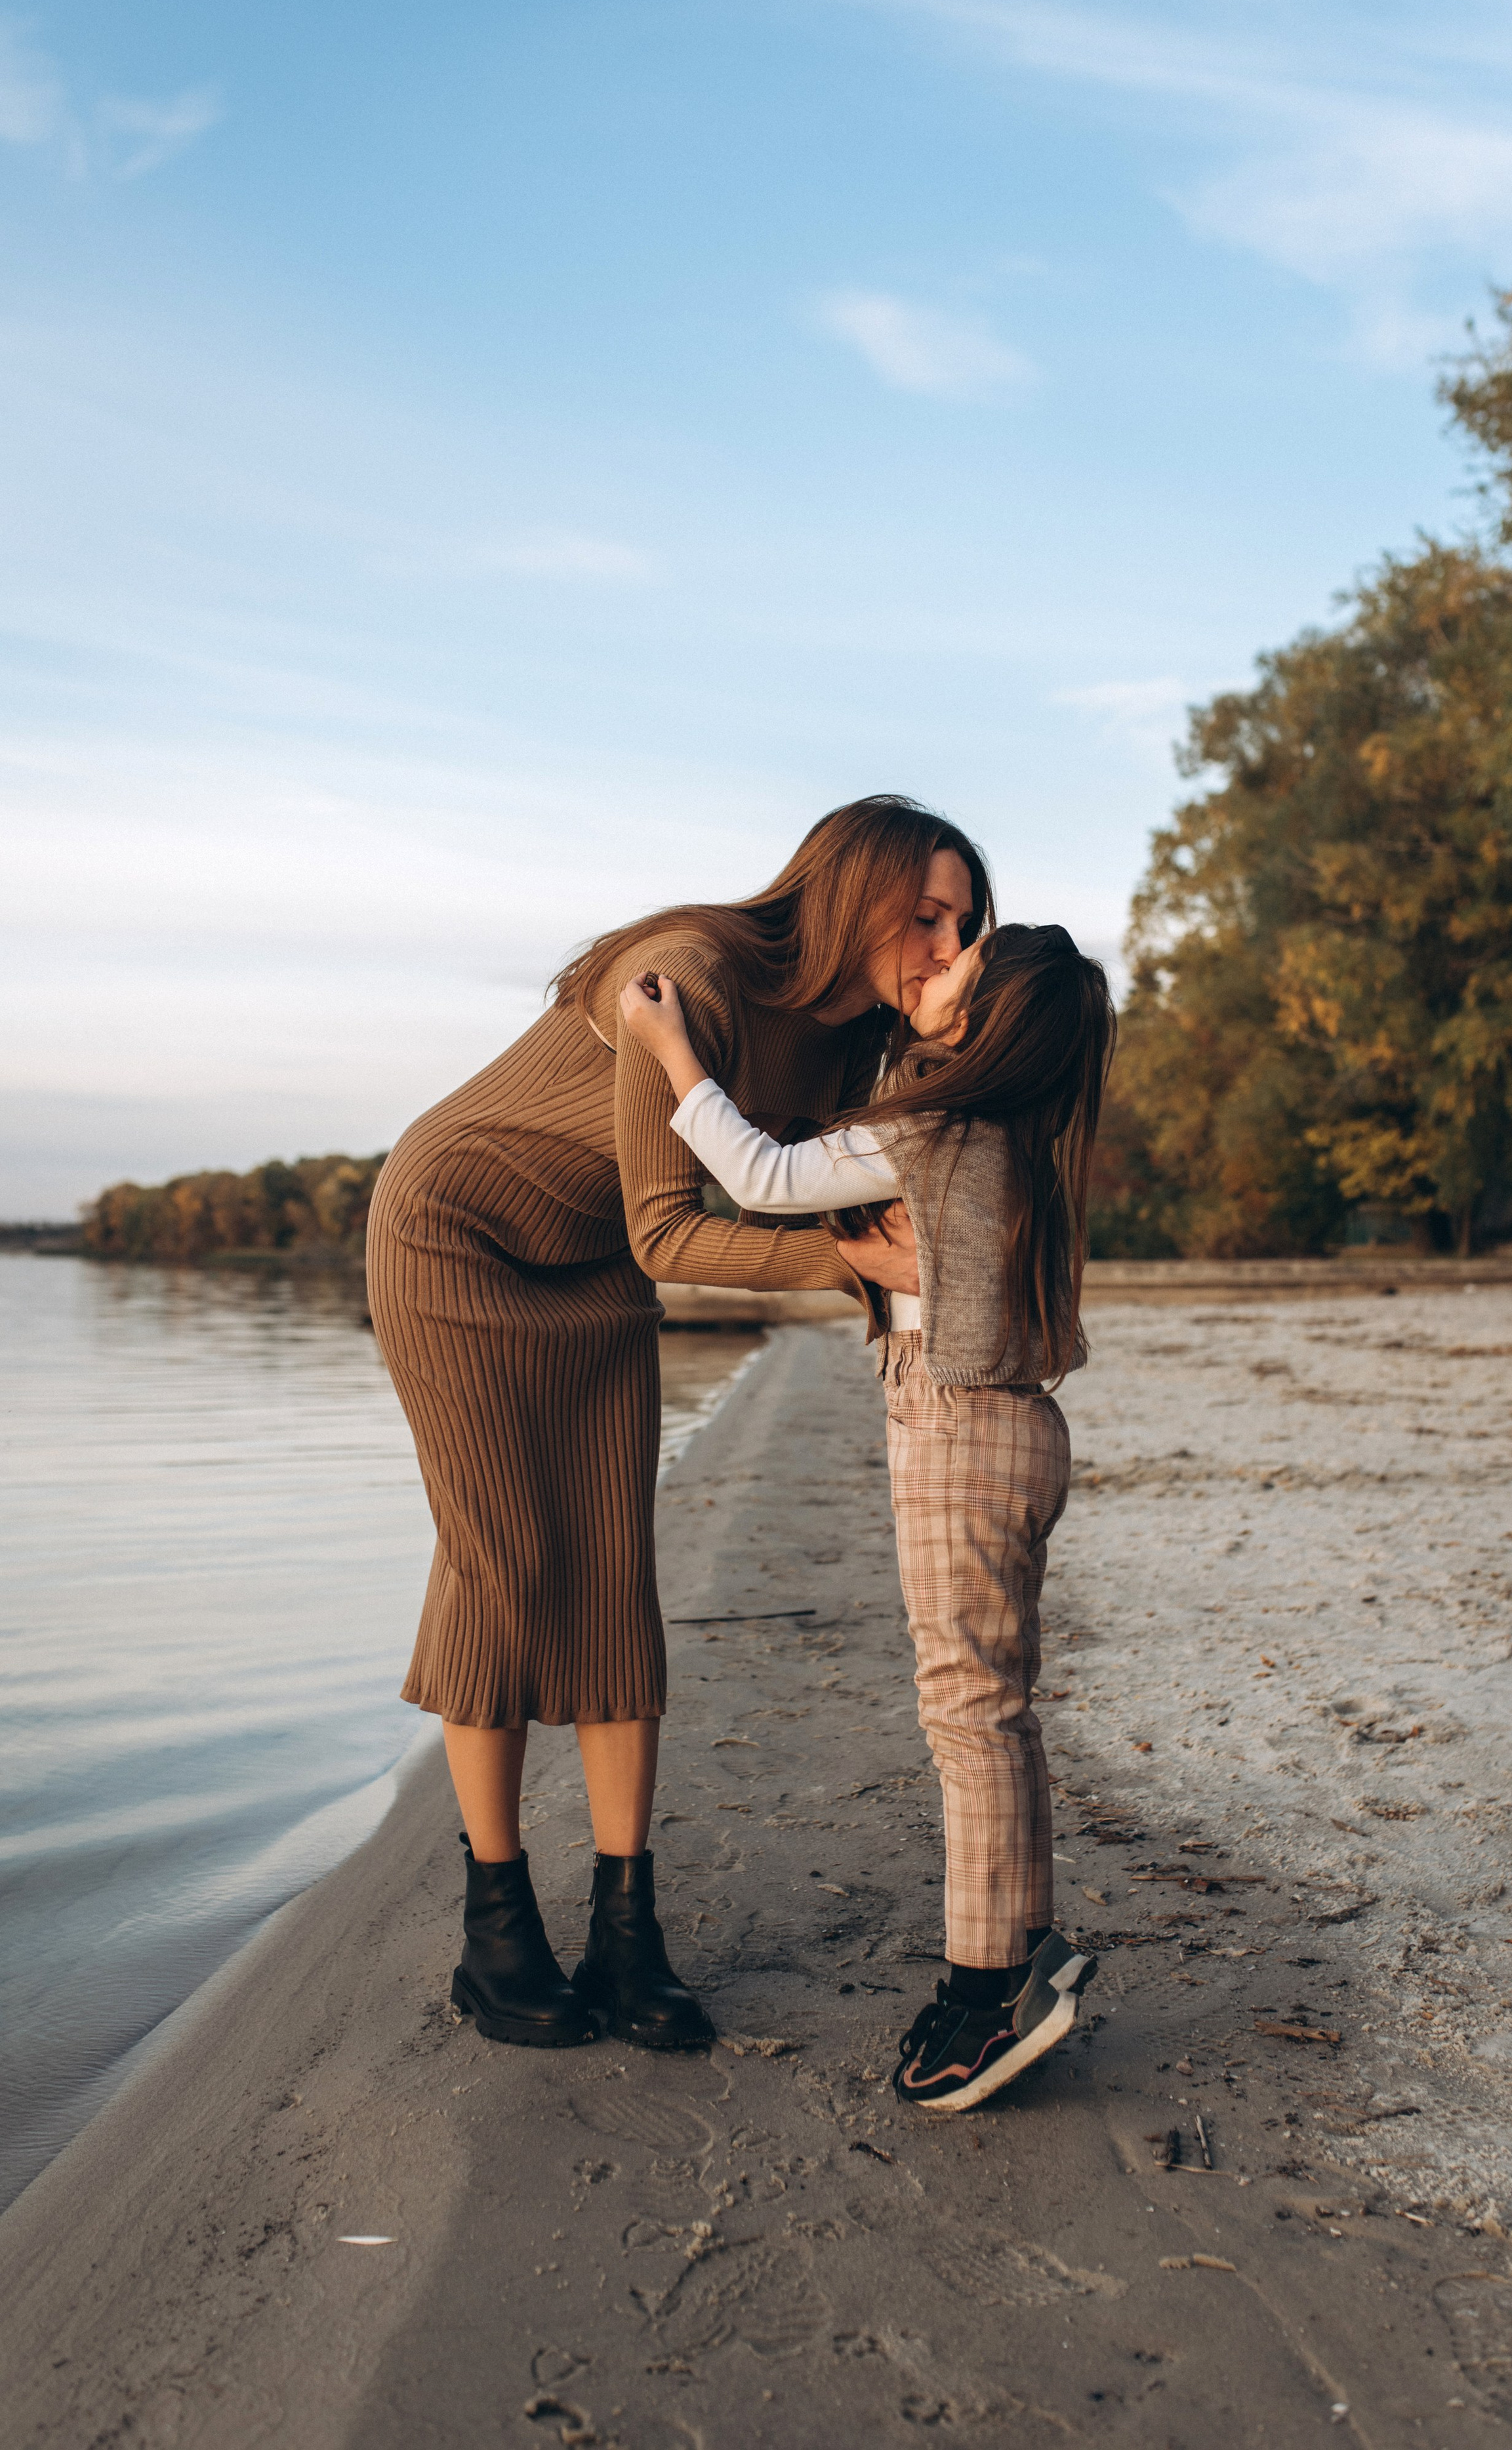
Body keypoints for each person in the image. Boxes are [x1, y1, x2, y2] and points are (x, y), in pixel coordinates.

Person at [366, 797, 990, 2053]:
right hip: (455, 1236)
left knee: (609, 1573)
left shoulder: (848, 1045)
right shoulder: (691, 976)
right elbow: (677, 1228)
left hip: (592, 1266)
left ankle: (625, 1929)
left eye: (963, 924)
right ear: (848, 890)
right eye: (923, 915)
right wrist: (847, 1265)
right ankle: (497, 1934)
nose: (941, 942)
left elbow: (828, 1183)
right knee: (504, 1564)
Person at [619, 916, 1116, 2110]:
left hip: (960, 1424)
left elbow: (763, 1180)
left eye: (958, 969)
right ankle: (1025, 1945)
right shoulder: (1004, 1132)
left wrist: (672, 1049)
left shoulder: (939, 1121)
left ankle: (987, 1991)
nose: (937, 963)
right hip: (1015, 1428)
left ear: (989, 1022)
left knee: (967, 1709)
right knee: (996, 1704)